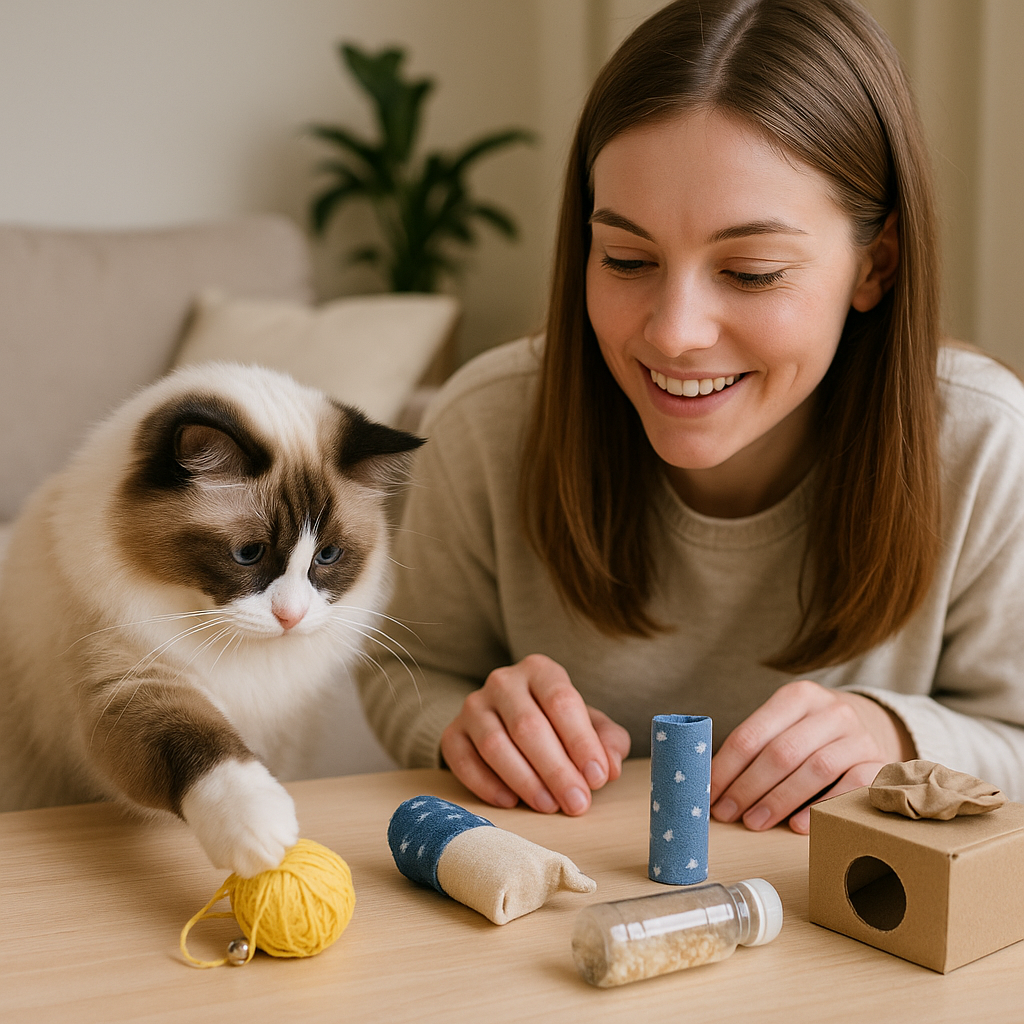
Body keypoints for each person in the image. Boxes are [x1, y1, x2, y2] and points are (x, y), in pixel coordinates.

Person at [356, 0, 1024, 833]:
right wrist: (462, 727)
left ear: (874, 265)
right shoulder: (489, 424)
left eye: (749, 272)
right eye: (627, 259)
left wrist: (896, 733)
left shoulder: (983, 441)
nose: (674, 332)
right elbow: (405, 669)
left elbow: (1015, 733)